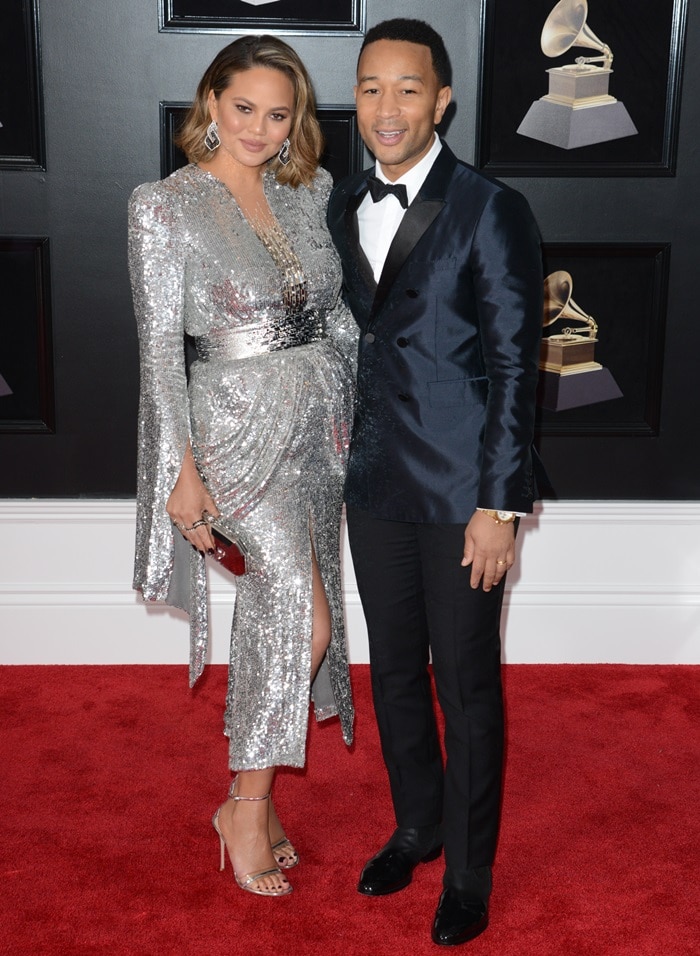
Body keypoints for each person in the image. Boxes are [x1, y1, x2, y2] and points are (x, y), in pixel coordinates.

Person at [327, 18, 543, 946]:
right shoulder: (339, 202)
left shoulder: (490, 207)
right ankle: (414, 826)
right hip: (373, 479)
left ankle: (467, 870)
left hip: (463, 495)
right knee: (394, 677)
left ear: (442, 99)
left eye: (408, 89)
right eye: (371, 88)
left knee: (466, 682)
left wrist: (500, 504)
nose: (387, 108)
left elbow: (513, 368)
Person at [128, 35, 356, 898]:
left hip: (317, 432)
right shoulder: (164, 206)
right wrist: (178, 473)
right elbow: (157, 355)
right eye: (244, 108)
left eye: (279, 112)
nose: (260, 128)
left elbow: (334, 315)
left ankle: (243, 799)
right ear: (210, 105)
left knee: (295, 615)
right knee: (308, 627)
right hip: (230, 437)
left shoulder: (310, 192)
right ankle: (247, 807)